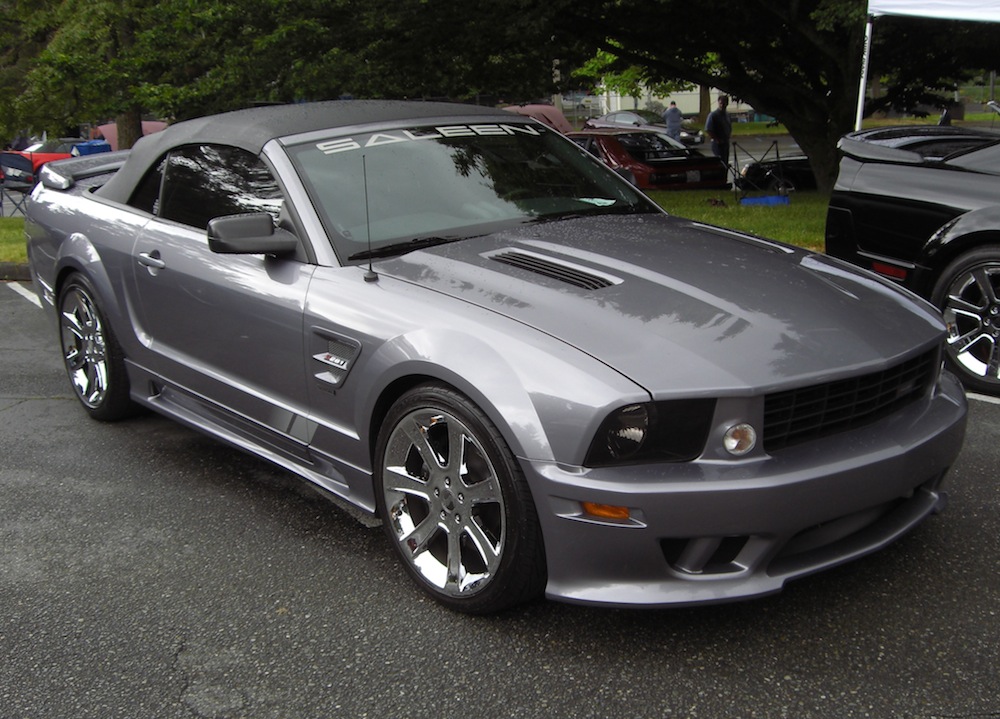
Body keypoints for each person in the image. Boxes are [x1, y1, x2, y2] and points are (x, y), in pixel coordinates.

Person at [705, 95, 732, 166]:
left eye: (724, 103)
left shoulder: (727, 115)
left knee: (725, 162)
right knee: (720, 163)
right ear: (718, 103)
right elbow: (708, 129)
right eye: (721, 103)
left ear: (727, 103)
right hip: (717, 144)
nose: (722, 105)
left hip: (726, 142)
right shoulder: (713, 115)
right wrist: (717, 139)